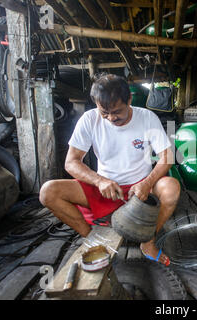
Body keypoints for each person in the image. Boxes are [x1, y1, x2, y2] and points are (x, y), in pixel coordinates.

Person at [39, 73, 180, 266]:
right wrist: (99, 181)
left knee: (171, 188)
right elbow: (71, 162)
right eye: (104, 113)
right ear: (96, 104)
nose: (111, 118)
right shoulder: (89, 119)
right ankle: (93, 240)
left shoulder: (147, 118)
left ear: (129, 99)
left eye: (117, 112)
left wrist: (146, 183)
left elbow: (167, 156)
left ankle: (148, 242)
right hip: (105, 189)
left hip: (140, 192)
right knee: (48, 192)